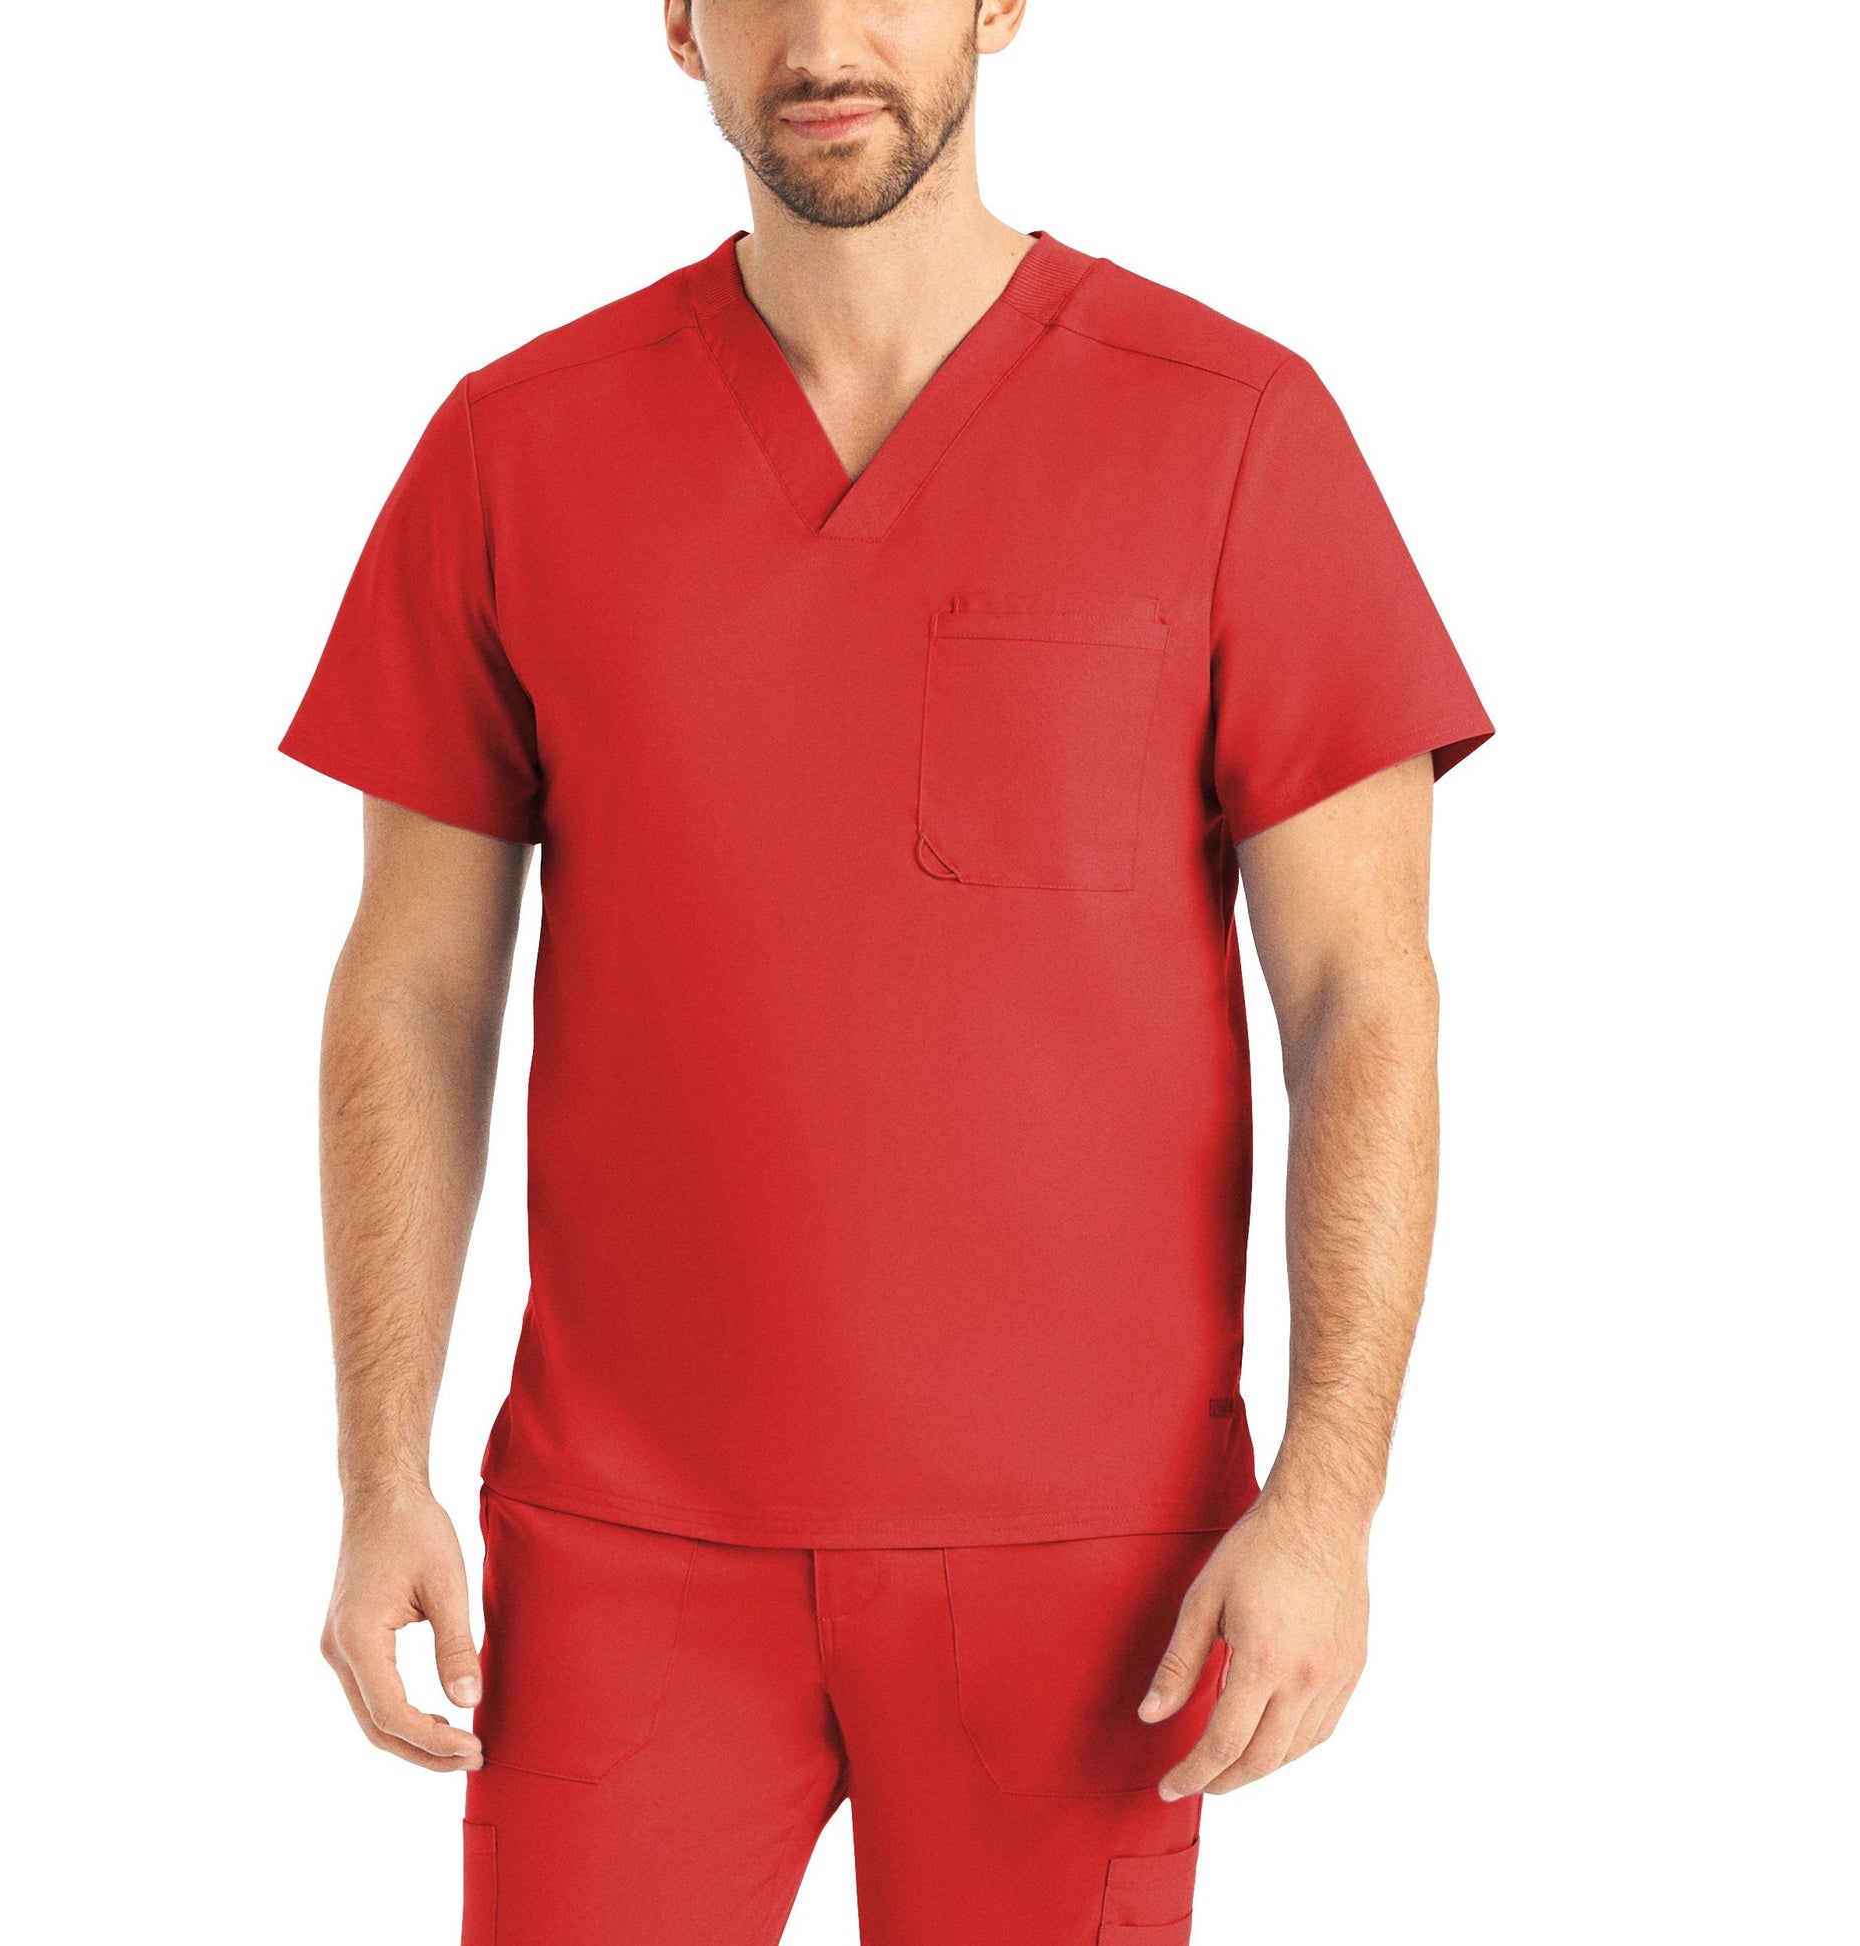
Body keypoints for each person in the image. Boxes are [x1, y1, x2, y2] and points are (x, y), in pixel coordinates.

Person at [280, 3, 1494, 1940]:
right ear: (679, 22)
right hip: (619, 1547)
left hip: (1091, 1571)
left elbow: (1363, 995)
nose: (826, 37)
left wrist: (1329, 1505)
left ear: (1000, 4)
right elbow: (410, 991)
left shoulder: (1231, 428)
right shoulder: (518, 444)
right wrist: (378, 1475)